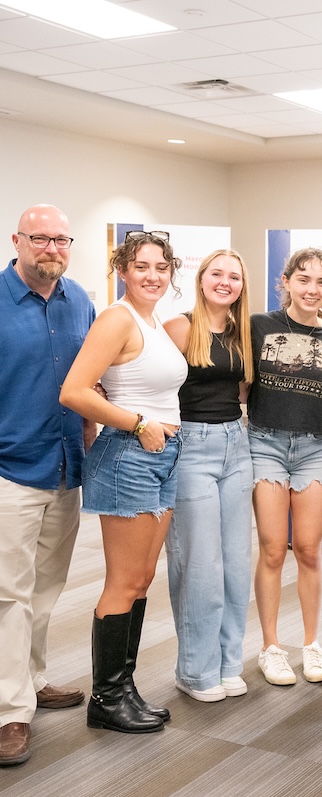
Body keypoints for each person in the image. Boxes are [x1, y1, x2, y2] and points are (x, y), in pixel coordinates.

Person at [60, 231, 187, 734]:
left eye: (161, 267)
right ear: (123, 271)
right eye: (141, 266)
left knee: (142, 579)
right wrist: (137, 423)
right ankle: (107, 698)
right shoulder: (118, 317)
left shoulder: (153, 322)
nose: (152, 275)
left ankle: (123, 688)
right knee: (124, 581)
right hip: (130, 454)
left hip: (163, 455)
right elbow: (73, 391)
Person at [0, 206, 94, 767]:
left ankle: (30, 681)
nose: (52, 248)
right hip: (11, 469)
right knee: (8, 595)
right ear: (17, 241)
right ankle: (10, 711)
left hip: (66, 469)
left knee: (44, 590)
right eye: (41, 238)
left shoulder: (79, 299)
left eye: (62, 239)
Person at [249, 247, 322, 686]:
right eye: (303, 279)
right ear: (285, 281)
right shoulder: (258, 327)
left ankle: (311, 643)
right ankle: (271, 646)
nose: (312, 288)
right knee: (272, 548)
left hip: (313, 449)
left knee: (308, 549)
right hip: (265, 443)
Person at [163, 249, 254, 703]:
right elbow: (145, 378)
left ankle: (227, 663)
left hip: (237, 445)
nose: (225, 282)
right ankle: (195, 671)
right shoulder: (180, 327)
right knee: (200, 564)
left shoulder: (242, 333)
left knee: (236, 562)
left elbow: (240, 389)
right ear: (201, 279)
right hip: (192, 448)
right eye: (216, 273)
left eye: (233, 276)